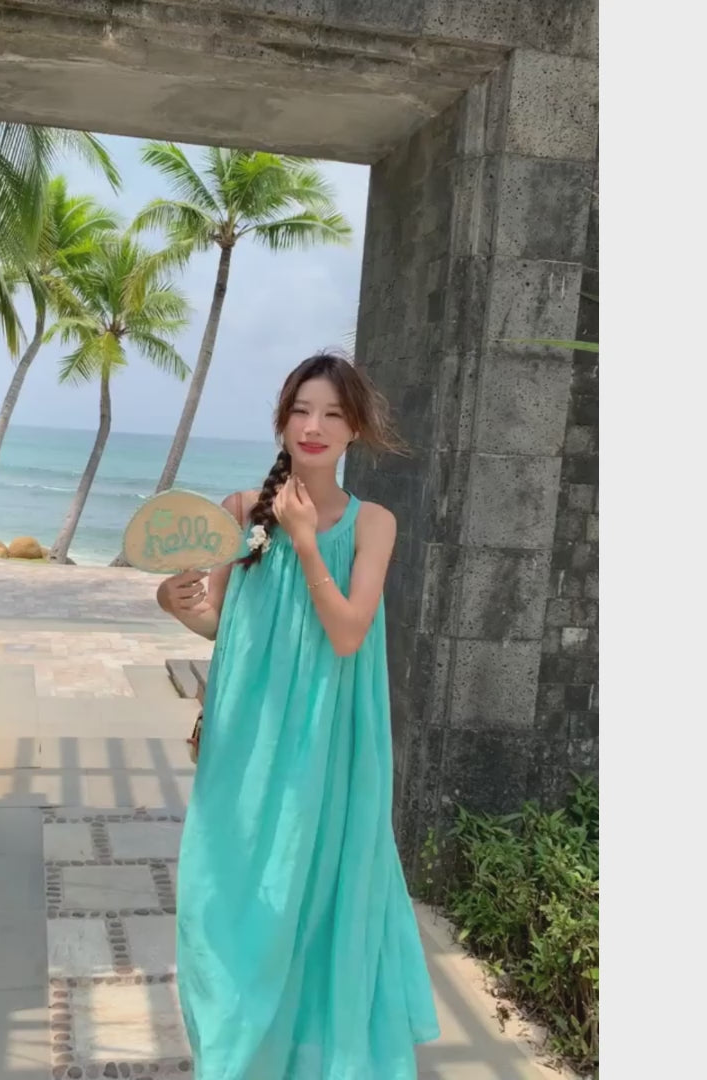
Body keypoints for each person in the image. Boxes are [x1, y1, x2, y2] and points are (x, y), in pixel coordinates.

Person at [156, 352, 440, 1079]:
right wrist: (175, 604)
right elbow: (225, 626)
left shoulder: (373, 523)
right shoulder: (239, 511)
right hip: (244, 738)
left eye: (333, 414)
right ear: (282, 420)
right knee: (220, 891)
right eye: (302, 410)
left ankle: (304, 1058)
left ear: (356, 430)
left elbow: (347, 634)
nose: (315, 426)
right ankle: (231, 1057)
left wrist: (307, 543)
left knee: (308, 893)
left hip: (326, 740)